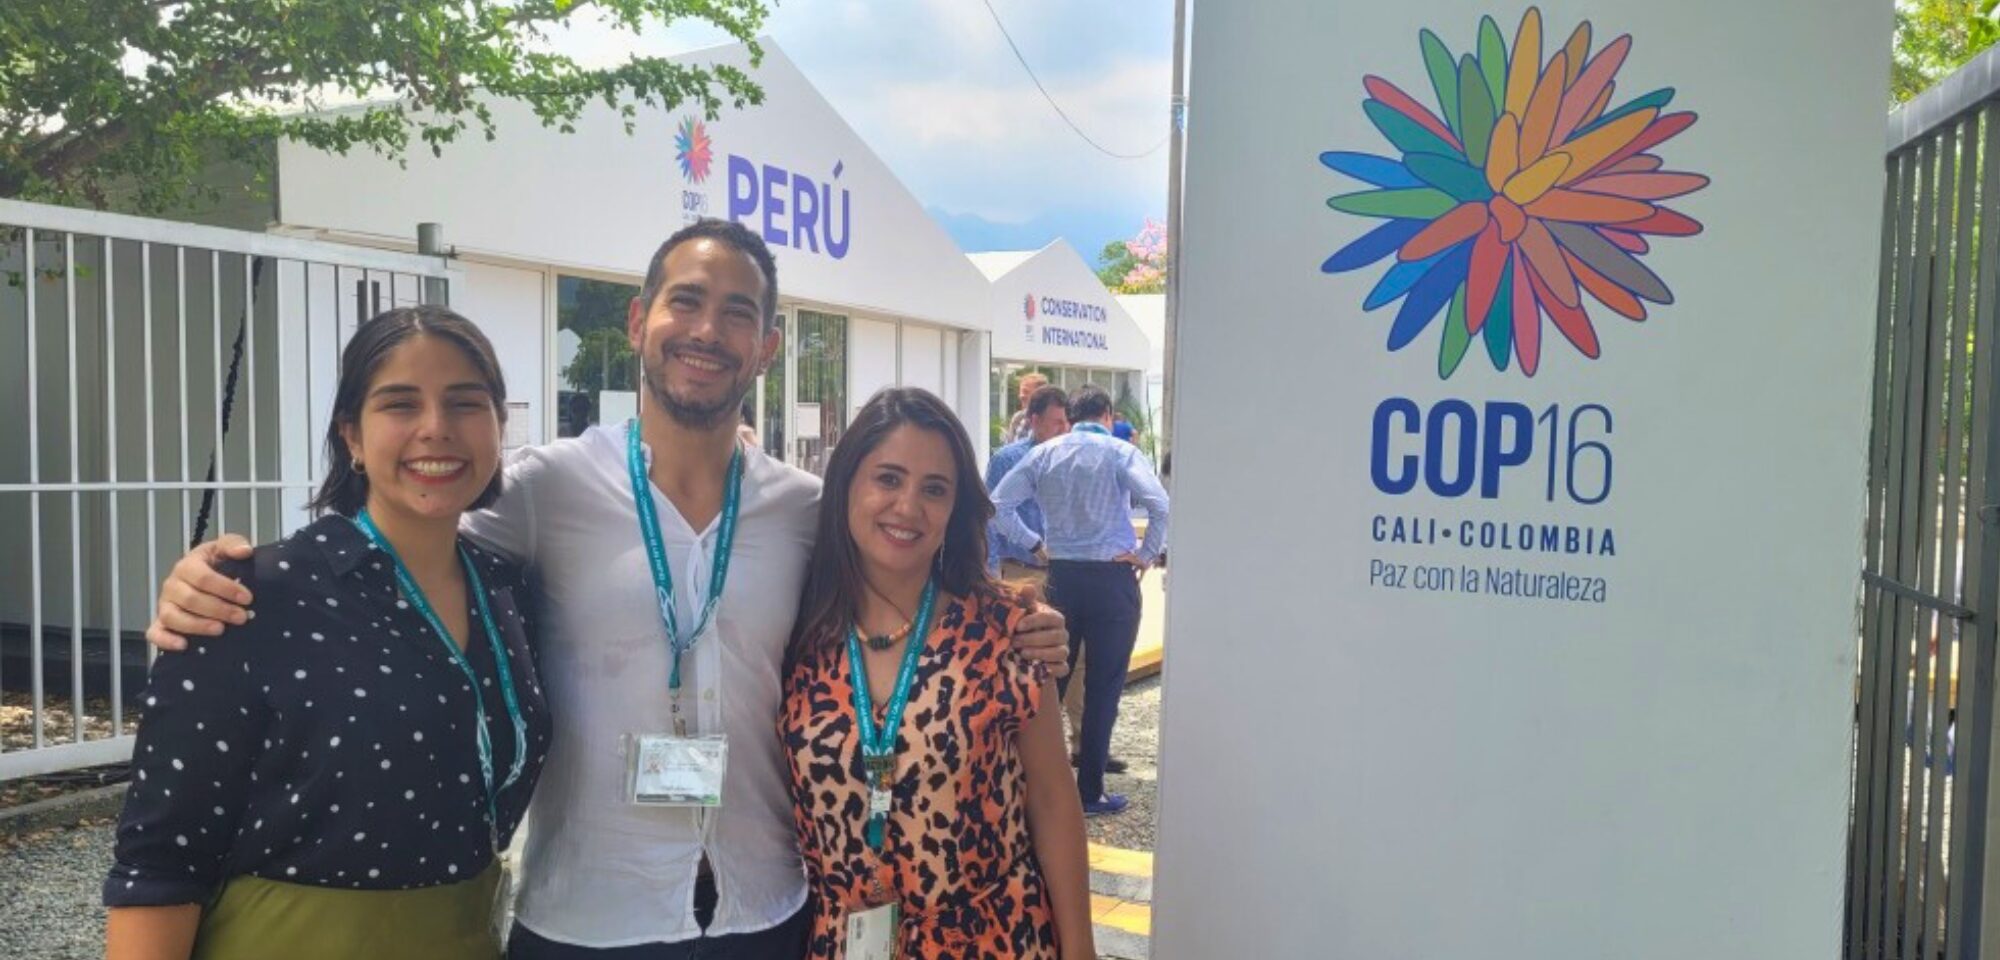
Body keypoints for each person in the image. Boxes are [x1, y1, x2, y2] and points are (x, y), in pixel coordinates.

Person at [144, 218, 1072, 959]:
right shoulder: (544, 491)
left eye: (738, 311)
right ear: (639, 323)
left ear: (767, 346)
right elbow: (402, 522)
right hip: (587, 912)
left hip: (766, 908)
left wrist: (1022, 618)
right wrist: (237, 577)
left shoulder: (805, 509)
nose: (709, 329)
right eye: (687, 301)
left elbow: (909, 564)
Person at [104, 306, 553, 960]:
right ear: (351, 436)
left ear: (498, 425)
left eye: (466, 404)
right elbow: (161, 861)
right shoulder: (247, 597)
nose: (436, 429)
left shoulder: (511, 591)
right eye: (400, 404)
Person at [781, 388, 1094, 959]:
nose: (907, 507)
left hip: (991, 940)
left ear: (956, 509)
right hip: (846, 942)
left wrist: (1081, 952)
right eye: (888, 479)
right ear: (848, 484)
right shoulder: (797, 634)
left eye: (934, 489)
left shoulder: (1005, 633)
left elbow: (1053, 800)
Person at [991, 384, 1169, 818]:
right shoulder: (1121, 453)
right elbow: (1160, 505)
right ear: (1107, 415)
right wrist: (1146, 555)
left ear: (1070, 416)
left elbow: (998, 504)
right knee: (1104, 686)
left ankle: (1033, 785)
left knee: (1048, 681)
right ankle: (1090, 791)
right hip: (1113, 578)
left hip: (1062, 576)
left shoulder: (1045, 453)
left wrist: (1035, 545)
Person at [1004, 373, 1049, 444]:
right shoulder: (1018, 418)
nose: (1021, 396)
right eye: (1020, 392)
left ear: (1040, 394)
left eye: (1026, 392)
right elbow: (1008, 445)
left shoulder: (1050, 420)